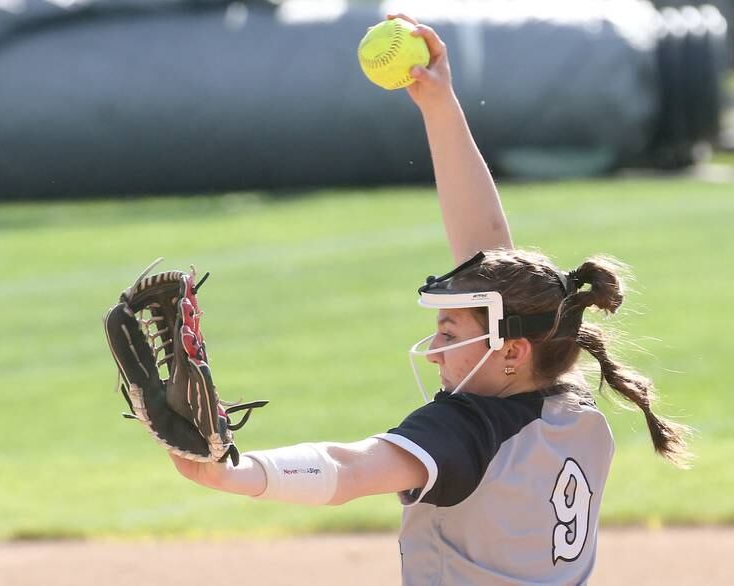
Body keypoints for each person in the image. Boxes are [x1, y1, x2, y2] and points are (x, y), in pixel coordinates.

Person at [169, 14, 690, 584]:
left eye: (450, 334)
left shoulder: (466, 430)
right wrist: (439, 106)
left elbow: (348, 469)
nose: (436, 351)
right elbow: (491, 257)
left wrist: (234, 473)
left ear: (511, 350)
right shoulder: (566, 399)